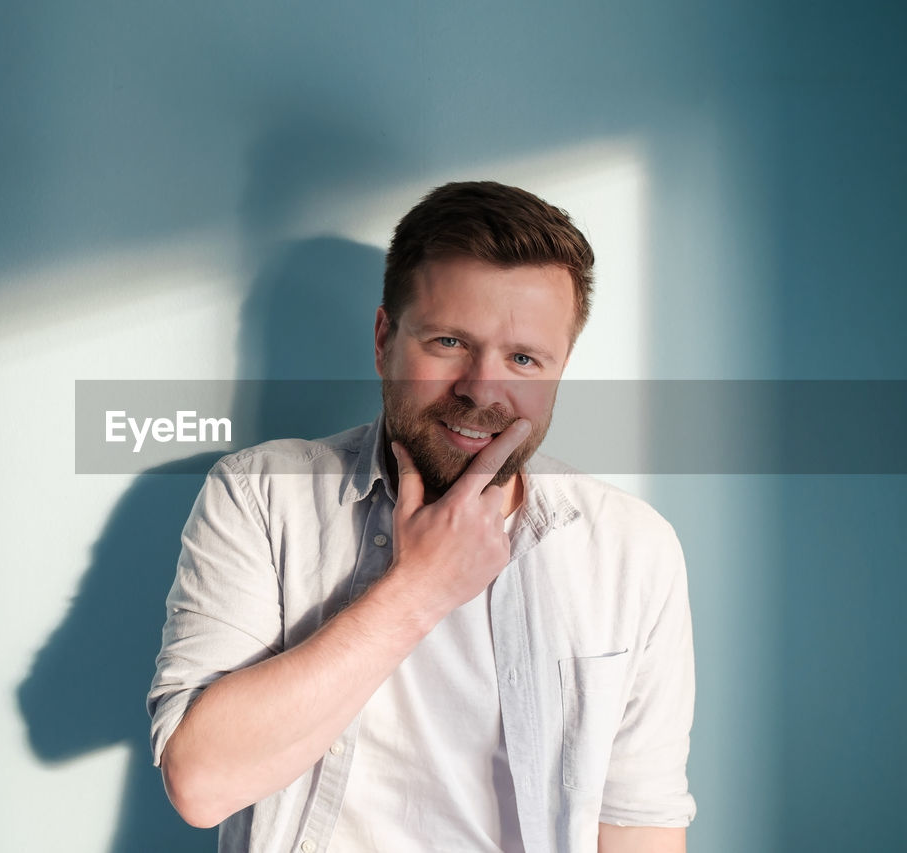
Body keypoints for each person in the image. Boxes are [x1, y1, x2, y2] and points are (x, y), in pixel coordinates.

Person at [147, 181, 696, 853]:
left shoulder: (632, 550)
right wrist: (420, 589)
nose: (481, 387)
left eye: (523, 358)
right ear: (385, 340)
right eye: (448, 341)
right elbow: (201, 783)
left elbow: (640, 824)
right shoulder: (262, 494)